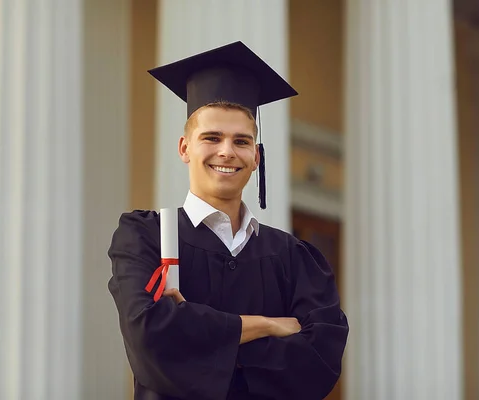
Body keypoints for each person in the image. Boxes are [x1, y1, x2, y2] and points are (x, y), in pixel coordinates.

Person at [107, 41, 349, 400]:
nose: (226, 151)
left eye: (241, 141)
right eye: (212, 137)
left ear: (256, 156)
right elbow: (149, 337)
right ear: (185, 148)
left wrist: (197, 336)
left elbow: (321, 361)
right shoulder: (145, 237)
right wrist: (264, 325)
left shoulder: (292, 256)